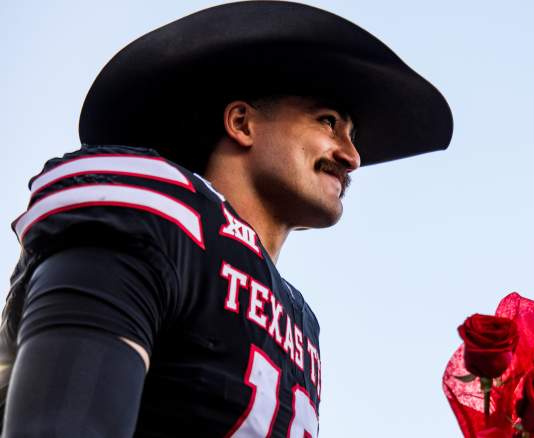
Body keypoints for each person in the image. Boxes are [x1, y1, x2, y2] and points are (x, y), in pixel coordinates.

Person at [0, 2, 452, 437]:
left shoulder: (302, 323)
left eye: (353, 137)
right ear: (242, 123)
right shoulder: (163, 218)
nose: (352, 157)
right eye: (328, 122)